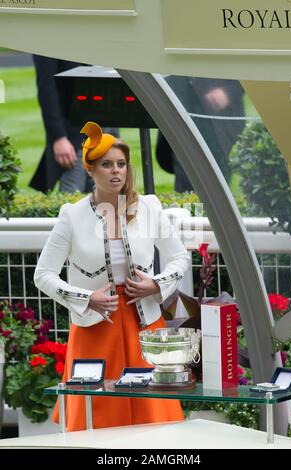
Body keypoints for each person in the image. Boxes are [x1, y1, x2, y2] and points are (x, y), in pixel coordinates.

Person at [33, 122, 190, 431]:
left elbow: (180, 257)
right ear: (90, 170)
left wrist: (155, 284)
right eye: (107, 165)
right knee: (97, 416)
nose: (116, 171)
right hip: (94, 328)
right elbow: (43, 275)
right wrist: (86, 297)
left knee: (153, 416)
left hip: (144, 325)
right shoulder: (72, 215)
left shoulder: (149, 208)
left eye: (121, 164)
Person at [29, 56, 118, 194]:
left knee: (104, 197)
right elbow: (47, 89)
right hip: (74, 136)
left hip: (105, 129)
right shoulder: (46, 37)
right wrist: (59, 138)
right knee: (72, 199)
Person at [156, 76, 245, 192]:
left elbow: (253, 67)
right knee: (186, 181)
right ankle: (191, 209)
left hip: (216, 117)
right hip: (181, 104)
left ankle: (206, 209)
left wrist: (229, 92)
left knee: (215, 186)